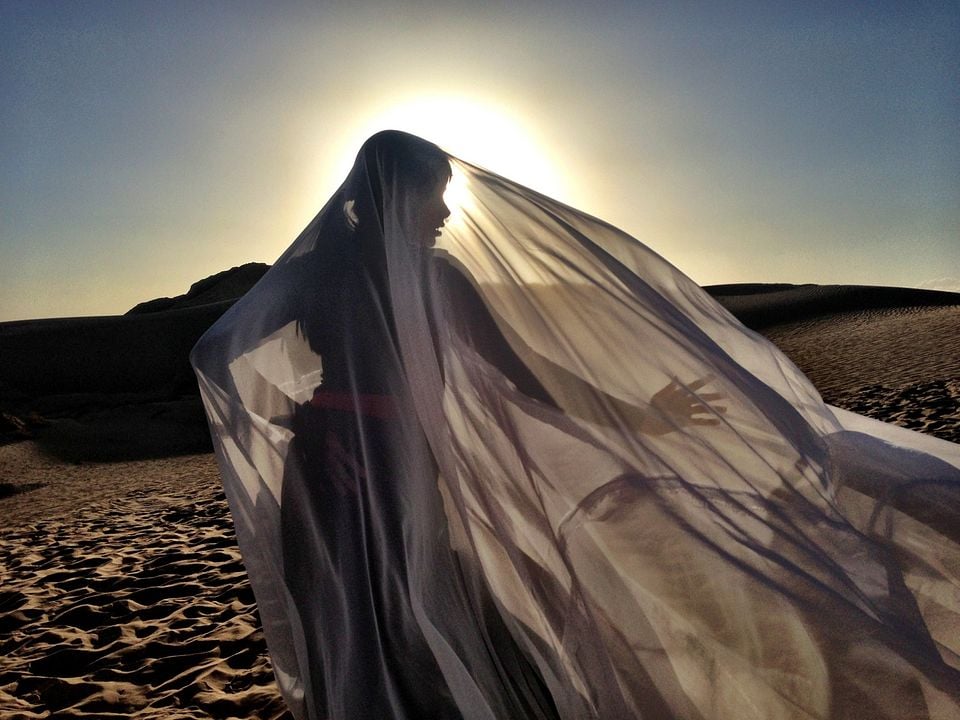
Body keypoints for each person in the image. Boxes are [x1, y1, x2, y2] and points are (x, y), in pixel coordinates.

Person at [191, 131, 960, 719]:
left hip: (328, 462)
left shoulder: (319, 269)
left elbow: (218, 354)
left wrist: (293, 411)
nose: (448, 212)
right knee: (396, 599)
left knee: (354, 601)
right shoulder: (432, 277)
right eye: (436, 195)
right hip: (379, 466)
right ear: (403, 196)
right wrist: (646, 418)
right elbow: (534, 384)